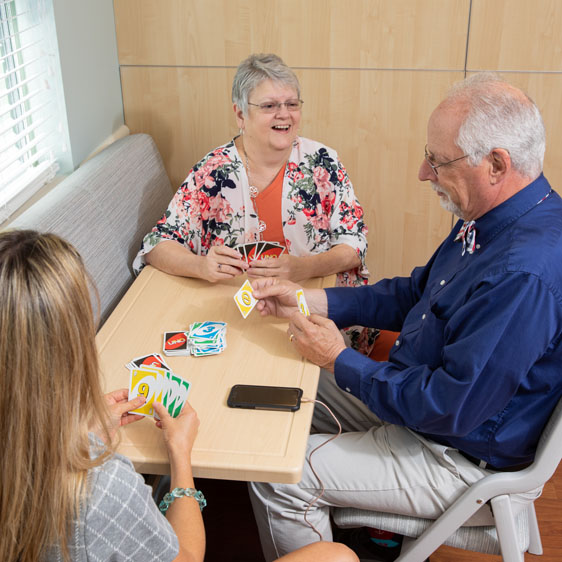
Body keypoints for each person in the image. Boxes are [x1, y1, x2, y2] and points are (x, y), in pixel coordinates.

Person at [245, 72, 562, 560]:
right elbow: (415, 292)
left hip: (456, 453)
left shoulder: (524, 273)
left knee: (278, 472)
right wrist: (312, 301)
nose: (422, 172)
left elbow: (449, 406)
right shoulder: (489, 220)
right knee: (281, 381)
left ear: (496, 164)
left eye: (438, 160)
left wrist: (337, 359)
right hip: (417, 397)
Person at [0, 229, 358, 562]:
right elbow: (187, 555)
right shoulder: (101, 485)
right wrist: (181, 456)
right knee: (337, 556)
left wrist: (81, 435)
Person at [133, 53, 374, 351]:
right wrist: (201, 265)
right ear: (240, 115)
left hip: (316, 314)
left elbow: (354, 245)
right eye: (270, 106)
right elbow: (158, 244)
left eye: (292, 104)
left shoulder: (323, 163)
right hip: (238, 320)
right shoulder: (214, 172)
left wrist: (304, 267)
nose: (284, 114)